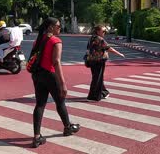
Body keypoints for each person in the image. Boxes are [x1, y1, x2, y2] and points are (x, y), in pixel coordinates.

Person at [30, 17, 80, 148]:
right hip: (50, 75)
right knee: (60, 102)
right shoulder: (55, 41)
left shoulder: (38, 40)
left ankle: (36, 136)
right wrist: (63, 83)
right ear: (51, 27)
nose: (60, 28)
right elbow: (56, 62)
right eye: (58, 26)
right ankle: (67, 127)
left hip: (37, 75)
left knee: (40, 104)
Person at [86, 25, 125, 102]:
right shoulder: (99, 39)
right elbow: (108, 48)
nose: (105, 33)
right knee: (97, 78)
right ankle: (93, 96)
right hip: (99, 60)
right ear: (98, 31)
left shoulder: (91, 37)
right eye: (103, 31)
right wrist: (119, 54)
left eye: (105, 31)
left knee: (97, 77)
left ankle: (104, 92)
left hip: (91, 60)